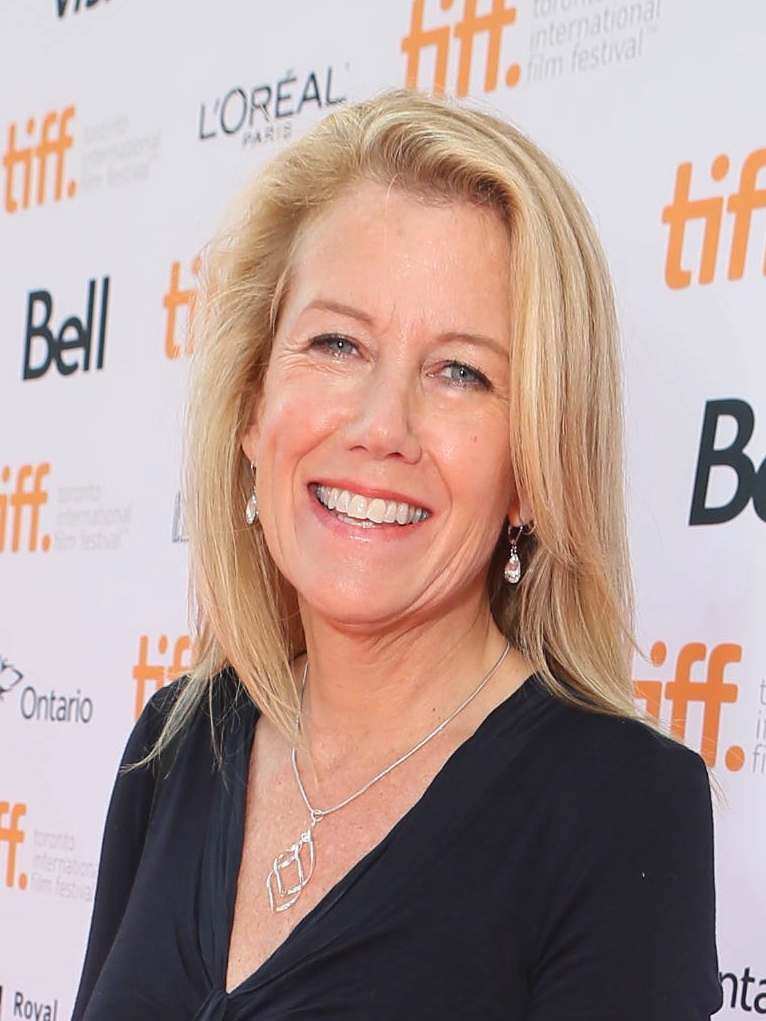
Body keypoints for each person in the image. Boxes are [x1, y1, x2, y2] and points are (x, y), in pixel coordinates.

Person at [71, 90, 721, 1021]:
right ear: (253, 407)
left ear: (533, 469)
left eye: (461, 371)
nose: (382, 426)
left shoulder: (621, 807)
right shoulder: (174, 744)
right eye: (337, 343)